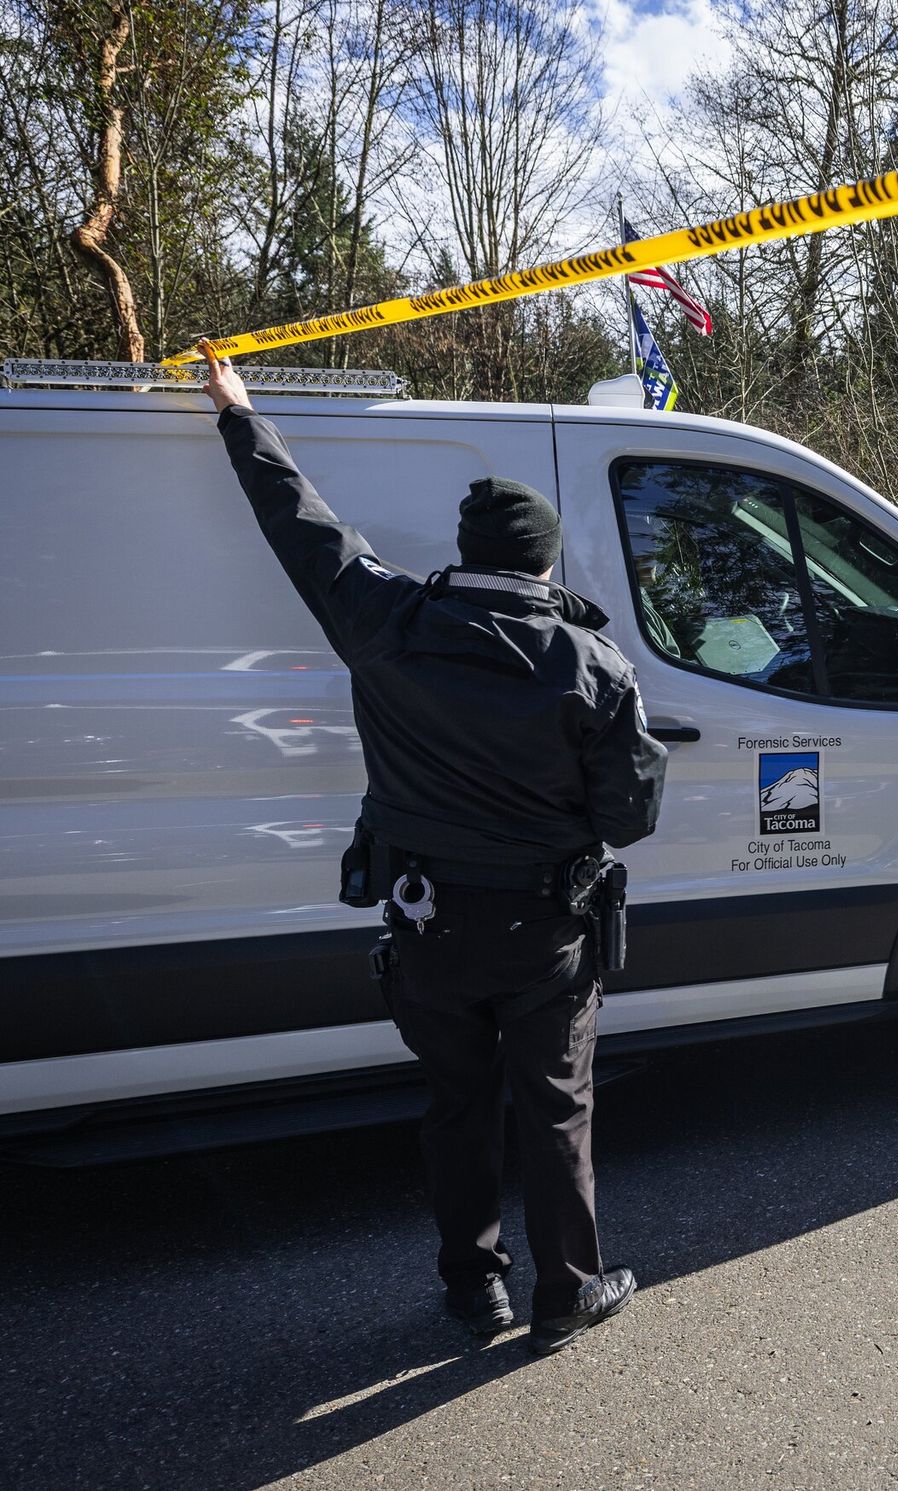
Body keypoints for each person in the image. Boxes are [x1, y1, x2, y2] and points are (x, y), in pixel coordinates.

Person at [199, 343, 667, 1355]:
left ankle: (474, 1291)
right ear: (544, 562)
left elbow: (299, 521)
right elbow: (630, 815)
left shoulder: (385, 619)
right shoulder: (591, 664)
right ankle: (565, 1295)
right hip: (546, 931)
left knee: (456, 1105)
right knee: (553, 1113)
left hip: (425, 924)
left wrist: (239, 413)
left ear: (465, 550)